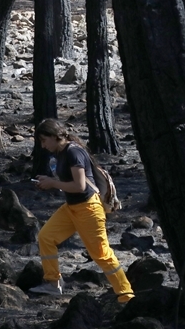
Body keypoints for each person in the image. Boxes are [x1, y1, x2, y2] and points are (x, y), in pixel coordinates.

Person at [29, 118, 135, 302]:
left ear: (54, 136)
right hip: (72, 207)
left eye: (44, 141)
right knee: (46, 236)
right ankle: (53, 283)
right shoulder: (60, 153)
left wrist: (52, 183)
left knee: (101, 254)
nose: (43, 146)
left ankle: (126, 294)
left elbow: (79, 186)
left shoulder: (73, 152)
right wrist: (47, 181)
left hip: (88, 208)